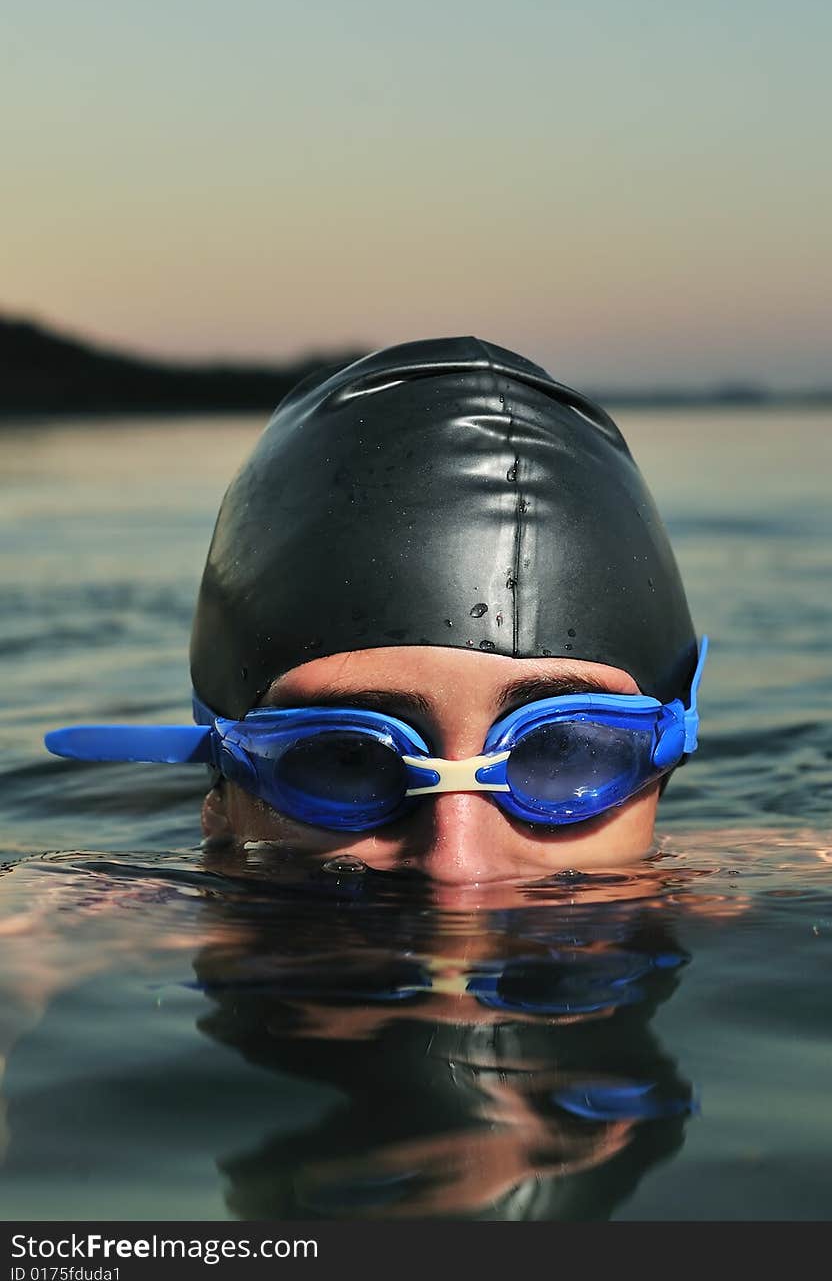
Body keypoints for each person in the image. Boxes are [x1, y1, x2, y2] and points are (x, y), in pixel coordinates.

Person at [45, 336, 706, 885]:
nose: (456, 868)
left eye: (562, 754)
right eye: (347, 762)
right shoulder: (64, 938)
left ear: (664, 767)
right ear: (219, 797)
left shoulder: (793, 889)